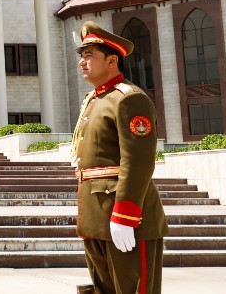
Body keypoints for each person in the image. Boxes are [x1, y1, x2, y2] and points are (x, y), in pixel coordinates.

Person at [71, 21, 167, 294]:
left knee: (133, 289)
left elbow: (138, 161)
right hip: (95, 215)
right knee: (104, 289)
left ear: (112, 61)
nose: (82, 63)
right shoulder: (94, 100)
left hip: (124, 214)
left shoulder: (128, 99)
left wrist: (124, 216)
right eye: (82, 56)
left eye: (89, 56)